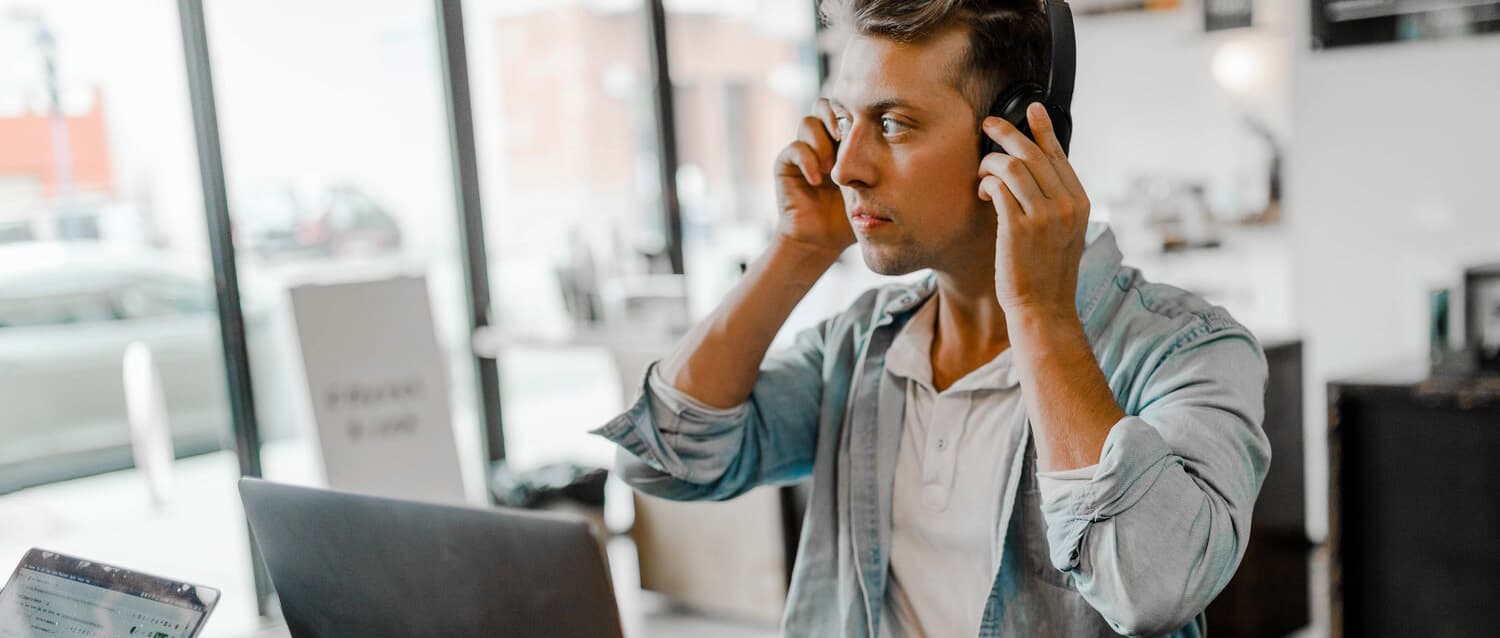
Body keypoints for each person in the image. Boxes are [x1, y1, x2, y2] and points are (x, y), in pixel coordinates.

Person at [592, 0, 1269, 635]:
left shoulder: (1189, 352)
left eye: (891, 124)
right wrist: (796, 251)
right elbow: (663, 460)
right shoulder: (859, 347)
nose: (846, 168)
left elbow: (1154, 589)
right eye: (841, 121)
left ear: (1017, 137)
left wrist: (1040, 313)